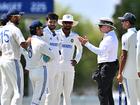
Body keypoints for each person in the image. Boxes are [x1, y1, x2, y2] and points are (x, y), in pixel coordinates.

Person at [78, 17, 118, 105]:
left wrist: (86, 44)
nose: (99, 27)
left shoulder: (109, 38)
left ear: (108, 27)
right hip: (108, 66)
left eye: (101, 25)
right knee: (107, 93)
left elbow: (100, 52)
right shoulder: (109, 36)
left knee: (102, 92)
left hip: (107, 67)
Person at [0, 9, 31, 105]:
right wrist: (30, 39)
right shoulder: (15, 29)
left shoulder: (1, 30)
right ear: (13, 17)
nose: (20, 18)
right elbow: (24, 45)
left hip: (3, 61)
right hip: (13, 61)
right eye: (18, 16)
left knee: (6, 90)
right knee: (18, 92)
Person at [23, 20, 54, 105]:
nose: (42, 30)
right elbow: (52, 56)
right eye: (41, 28)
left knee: (36, 97)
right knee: (40, 98)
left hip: (32, 73)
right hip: (41, 71)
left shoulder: (28, 42)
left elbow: (24, 53)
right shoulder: (41, 43)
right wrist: (43, 60)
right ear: (37, 29)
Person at [57, 14, 83, 105]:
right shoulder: (56, 34)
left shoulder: (75, 36)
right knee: (57, 93)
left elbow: (80, 49)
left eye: (70, 23)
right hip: (58, 66)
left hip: (70, 67)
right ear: (62, 23)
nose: (68, 24)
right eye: (66, 23)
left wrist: (76, 59)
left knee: (67, 94)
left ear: (72, 24)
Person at [117, 12, 140, 105]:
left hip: (128, 74)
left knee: (131, 101)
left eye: (123, 21)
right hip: (138, 72)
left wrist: (119, 73)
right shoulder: (139, 34)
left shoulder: (126, 36)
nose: (122, 23)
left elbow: (123, 56)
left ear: (127, 23)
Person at [41, 13, 61, 105]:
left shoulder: (57, 34)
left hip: (57, 66)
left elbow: (58, 49)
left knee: (56, 93)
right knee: (49, 92)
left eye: (54, 22)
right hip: (47, 66)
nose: (52, 24)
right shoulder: (43, 32)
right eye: (50, 22)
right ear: (47, 21)